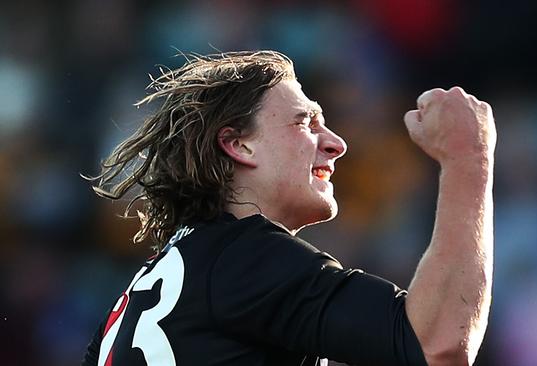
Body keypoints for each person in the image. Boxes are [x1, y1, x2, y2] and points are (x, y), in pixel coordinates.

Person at [82, 50, 496, 366]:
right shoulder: (245, 256)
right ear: (239, 144)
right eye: (305, 123)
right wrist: (468, 157)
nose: (336, 143)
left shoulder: (138, 295)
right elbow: (437, 344)